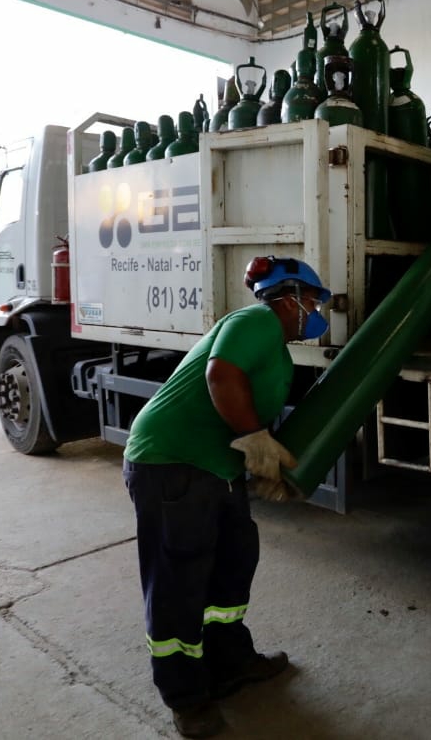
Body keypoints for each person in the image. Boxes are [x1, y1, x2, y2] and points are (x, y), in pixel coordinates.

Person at [122, 255, 332, 738]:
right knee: (178, 580)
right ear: (291, 296)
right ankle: (186, 697)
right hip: (171, 461)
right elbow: (221, 375)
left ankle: (230, 662)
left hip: (215, 468)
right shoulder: (255, 319)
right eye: (315, 301)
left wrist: (258, 464)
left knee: (234, 560)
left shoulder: (277, 348)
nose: (318, 311)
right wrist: (256, 439)